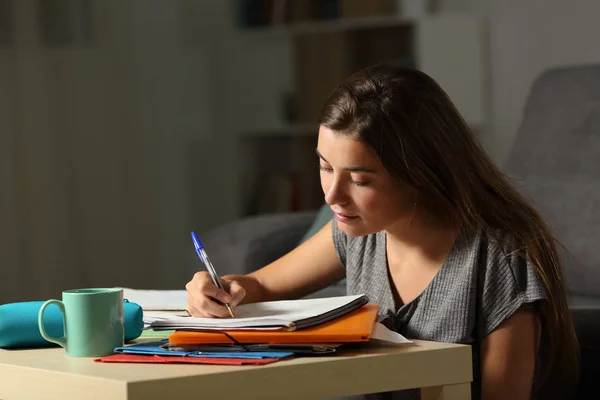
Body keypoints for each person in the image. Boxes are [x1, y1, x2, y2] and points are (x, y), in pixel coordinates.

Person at [185, 64, 579, 400]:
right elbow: (256, 286)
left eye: (359, 179)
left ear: (421, 174)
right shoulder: (357, 232)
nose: (333, 196)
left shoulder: (498, 260)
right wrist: (215, 290)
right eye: (325, 167)